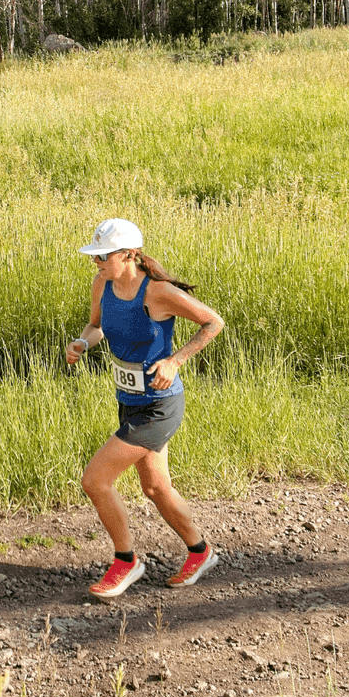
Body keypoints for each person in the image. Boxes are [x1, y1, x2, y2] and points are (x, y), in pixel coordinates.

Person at [66, 218, 224, 599]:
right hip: (129, 401)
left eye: (104, 256)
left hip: (160, 406)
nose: (98, 262)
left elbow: (213, 322)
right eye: (96, 256)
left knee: (96, 480)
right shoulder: (103, 284)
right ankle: (201, 554)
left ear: (129, 255)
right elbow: (95, 327)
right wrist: (82, 344)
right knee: (155, 487)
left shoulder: (158, 292)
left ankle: (126, 562)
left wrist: (176, 361)